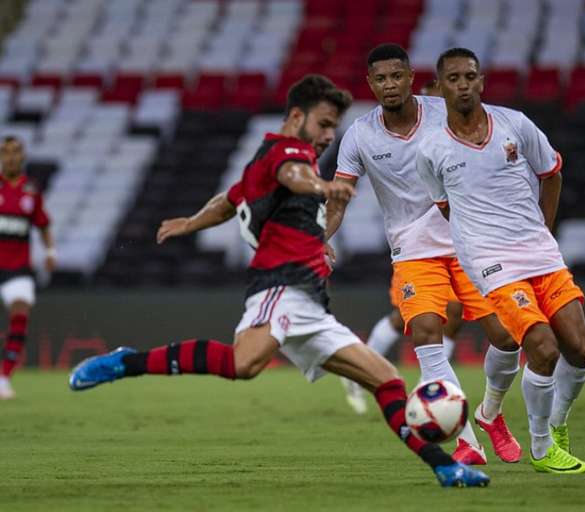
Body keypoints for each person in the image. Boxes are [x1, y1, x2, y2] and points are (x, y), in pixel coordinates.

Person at [68, 75, 489, 488]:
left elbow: (229, 200)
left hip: (310, 305)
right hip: (280, 288)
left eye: (333, 128)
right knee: (243, 364)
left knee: (388, 380)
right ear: (295, 116)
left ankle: (444, 468)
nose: (328, 135)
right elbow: (295, 176)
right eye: (323, 124)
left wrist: (191, 222)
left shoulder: (260, 162)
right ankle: (126, 362)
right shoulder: (290, 153)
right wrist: (324, 186)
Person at [326, 44, 523, 465]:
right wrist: (322, 236)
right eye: (380, 79)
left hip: (470, 241)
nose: (389, 85)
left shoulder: (443, 113)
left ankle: (491, 413)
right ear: (370, 84)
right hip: (414, 253)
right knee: (426, 333)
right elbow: (340, 195)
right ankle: (467, 440)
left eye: (396, 76)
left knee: (507, 339)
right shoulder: (360, 134)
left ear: (410, 77)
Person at [416, 48, 585, 474]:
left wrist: (544, 229)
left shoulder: (515, 123)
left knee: (579, 348)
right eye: (453, 78)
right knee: (541, 348)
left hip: (539, 250)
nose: (462, 84)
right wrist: (480, 239)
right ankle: (542, 448)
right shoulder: (431, 148)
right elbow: (446, 207)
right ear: (439, 88)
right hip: (490, 259)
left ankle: (556, 426)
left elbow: (551, 173)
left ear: (481, 81)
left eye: (469, 76)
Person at [340, 75, 464, 416]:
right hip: (416, 246)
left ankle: (440, 388)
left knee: (456, 314)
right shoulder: (402, 131)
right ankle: (364, 372)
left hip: (457, 242)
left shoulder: (457, 130)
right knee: (410, 318)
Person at [0, 136, 55, 400]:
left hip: (17, 268)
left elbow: (43, 225)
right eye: (6, 152)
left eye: (15, 152)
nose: (10, 157)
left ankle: (4, 377)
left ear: (22, 156)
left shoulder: (31, 192)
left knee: (20, 313)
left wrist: (50, 252)